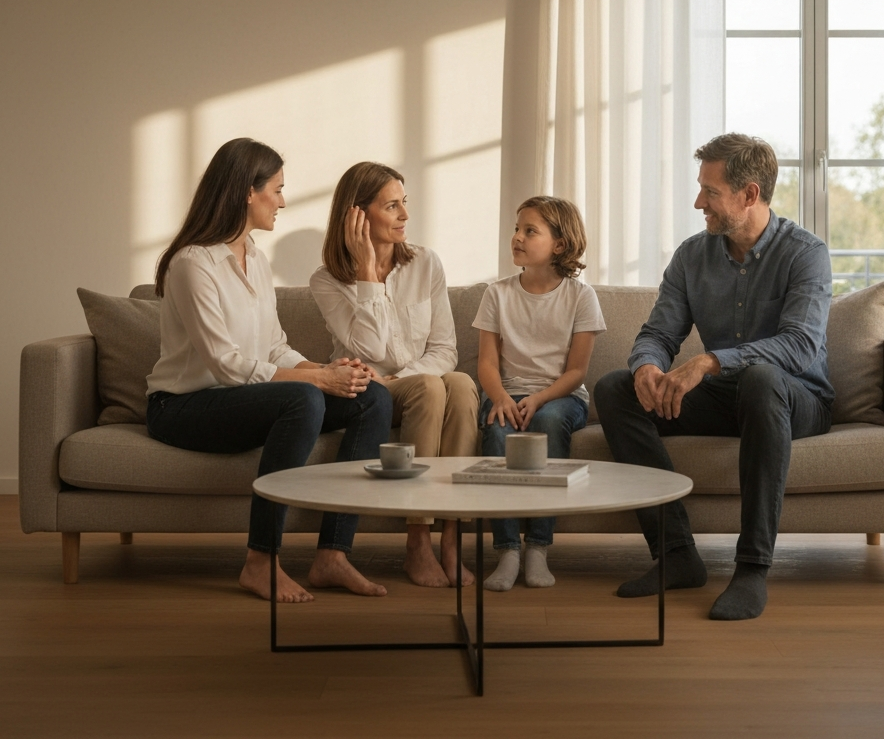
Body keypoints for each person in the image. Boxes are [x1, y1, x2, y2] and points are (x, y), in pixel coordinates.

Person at [594, 133, 834, 621]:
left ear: (749, 194)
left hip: (796, 400)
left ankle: (751, 569)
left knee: (762, 379)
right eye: (700, 187)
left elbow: (800, 346)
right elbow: (658, 331)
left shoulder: (805, 253)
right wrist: (647, 366)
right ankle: (677, 554)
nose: (698, 200)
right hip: (730, 397)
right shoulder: (692, 256)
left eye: (710, 190)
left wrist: (709, 361)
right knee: (614, 389)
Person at [146, 138, 394, 603]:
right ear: (247, 192)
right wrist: (318, 381)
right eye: (276, 190)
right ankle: (261, 561)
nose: (282, 201)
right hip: (182, 407)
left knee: (372, 396)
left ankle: (332, 555)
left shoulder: (255, 259)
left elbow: (273, 346)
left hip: (239, 400)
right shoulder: (192, 264)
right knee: (304, 397)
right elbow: (226, 363)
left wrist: (327, 368)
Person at [310, 162, 479, 588]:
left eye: (405, 203)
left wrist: (401, 377)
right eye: (392, 206)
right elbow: (369, 350)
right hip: (367, 391)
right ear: (357, 215)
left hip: (411, 385)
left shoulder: (426, 263)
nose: (405, 214)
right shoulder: (327, 280)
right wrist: (368, 274)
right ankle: (417, 540)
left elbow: (445, 349)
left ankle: (451, 538)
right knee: (429, 386)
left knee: (459, 383)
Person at [473, 196, 606, 591]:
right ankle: (508, 548)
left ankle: (539, 546)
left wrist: (540, 398)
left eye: (530, 231)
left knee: (547, 422)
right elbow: (486, 364)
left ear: (559, 245)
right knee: (497, 432)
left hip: (560, 397)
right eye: (517, 228)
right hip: (507, 393)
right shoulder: (495, 294)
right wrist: (499, 398)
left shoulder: (581, 297)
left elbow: (577, 371)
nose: (517, 237)